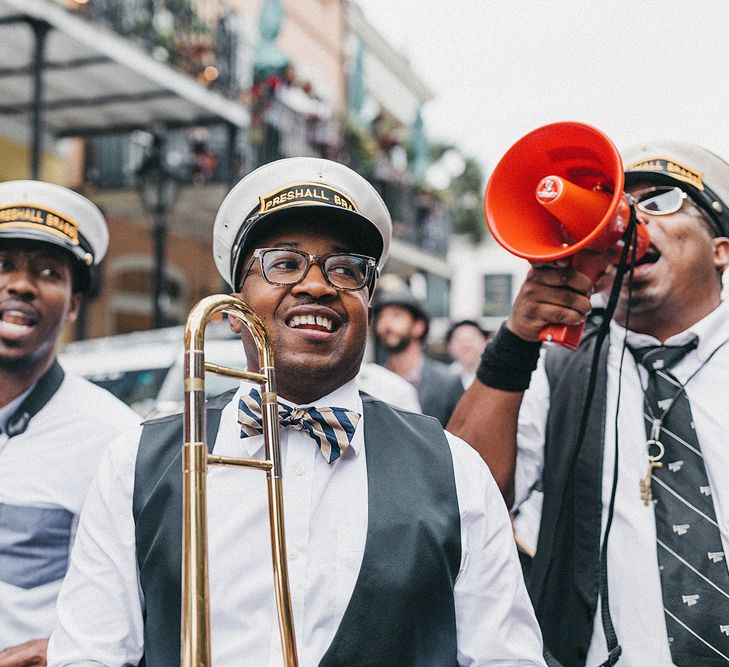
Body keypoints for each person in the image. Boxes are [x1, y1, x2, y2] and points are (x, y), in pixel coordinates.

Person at [47, 157, 545, 666]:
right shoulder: (133, 463)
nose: (317, 285)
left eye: (346, 270)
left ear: (367, 307)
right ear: (234, 305)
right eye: (283, 264)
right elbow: (88, 656)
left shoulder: (456, 470)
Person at [448, 142, 729, 666]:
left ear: (721, 248)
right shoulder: (556, 368)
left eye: (663, 200)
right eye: (621, 202)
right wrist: (516, 341)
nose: (633, 218)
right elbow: (462, 501)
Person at [0, 181, 140, 666]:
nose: (20, 284)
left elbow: (129, 614)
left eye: (47, 271)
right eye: (4, 265)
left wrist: (61, 652)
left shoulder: (115, 440)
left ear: (75, 305)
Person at [374, 288, 464, 425]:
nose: (385, 324)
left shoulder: (448, 383)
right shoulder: (372, 379)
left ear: (418, 326)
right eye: (381, 316)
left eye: (396, 315)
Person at [446, 319, 492, 389]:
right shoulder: (443, 378)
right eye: (460, 340)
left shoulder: (497, 376)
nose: (466, 345)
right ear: (450, 346)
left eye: (472, 339)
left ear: (485, 342)